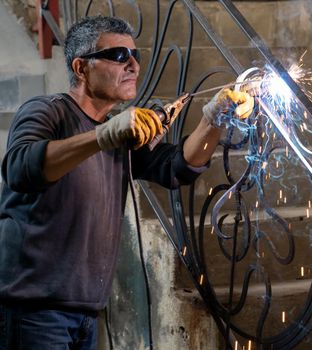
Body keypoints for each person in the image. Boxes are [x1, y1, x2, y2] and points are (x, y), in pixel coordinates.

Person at [0, 15, 253, 349]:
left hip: (85, 313)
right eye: (119, 56)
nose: (132, 64)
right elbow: (21, 168)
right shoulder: (48, 111)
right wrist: (104, 134)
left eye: (135, 56)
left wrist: (214, 118)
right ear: (81, 68)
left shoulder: (121, 133)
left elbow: (177, 168)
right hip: (32, 309)